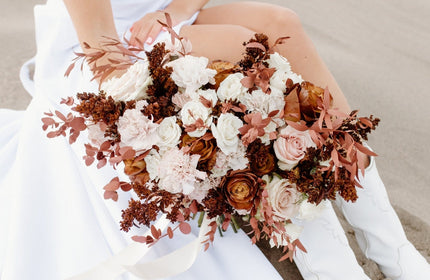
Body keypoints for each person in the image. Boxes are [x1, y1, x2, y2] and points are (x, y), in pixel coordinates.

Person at [0, 0, 428, 279]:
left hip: (168, 12)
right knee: (247, 50)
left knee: (283, 23)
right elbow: (105, 57)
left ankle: (391, 246)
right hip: (104, 46)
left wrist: (177, 10)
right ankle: (334, 268)